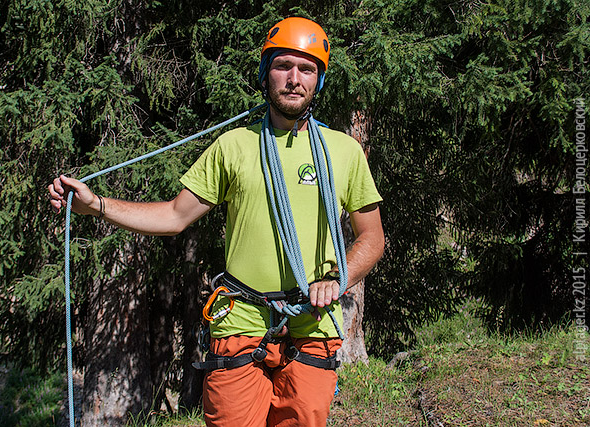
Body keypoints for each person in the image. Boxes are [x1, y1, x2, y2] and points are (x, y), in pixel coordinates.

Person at [48, 17, 384, 427]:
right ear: (266, 72)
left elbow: (372, 238)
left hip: (312, 321)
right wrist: (96, 205)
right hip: (241, 316)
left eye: (307, 68)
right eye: (283, 66)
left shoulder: (343, 152)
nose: (294, 78)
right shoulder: (234, 146)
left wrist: (338, 278)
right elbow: (175, 216)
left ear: (319, 80)